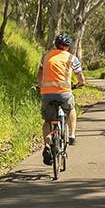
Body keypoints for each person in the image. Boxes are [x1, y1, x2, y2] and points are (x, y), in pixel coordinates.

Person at [37, 32, 85, 166]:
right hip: (64, 93)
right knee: (70, 110)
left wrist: (39, 86)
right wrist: (80, 84)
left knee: (47, 121)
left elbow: (40, 73)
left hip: (46, 94)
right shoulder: (71, 58)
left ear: (56, 45)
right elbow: (80, 77)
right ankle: (72, 135)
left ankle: (47, 146)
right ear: (68, 47)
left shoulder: (46, 56)